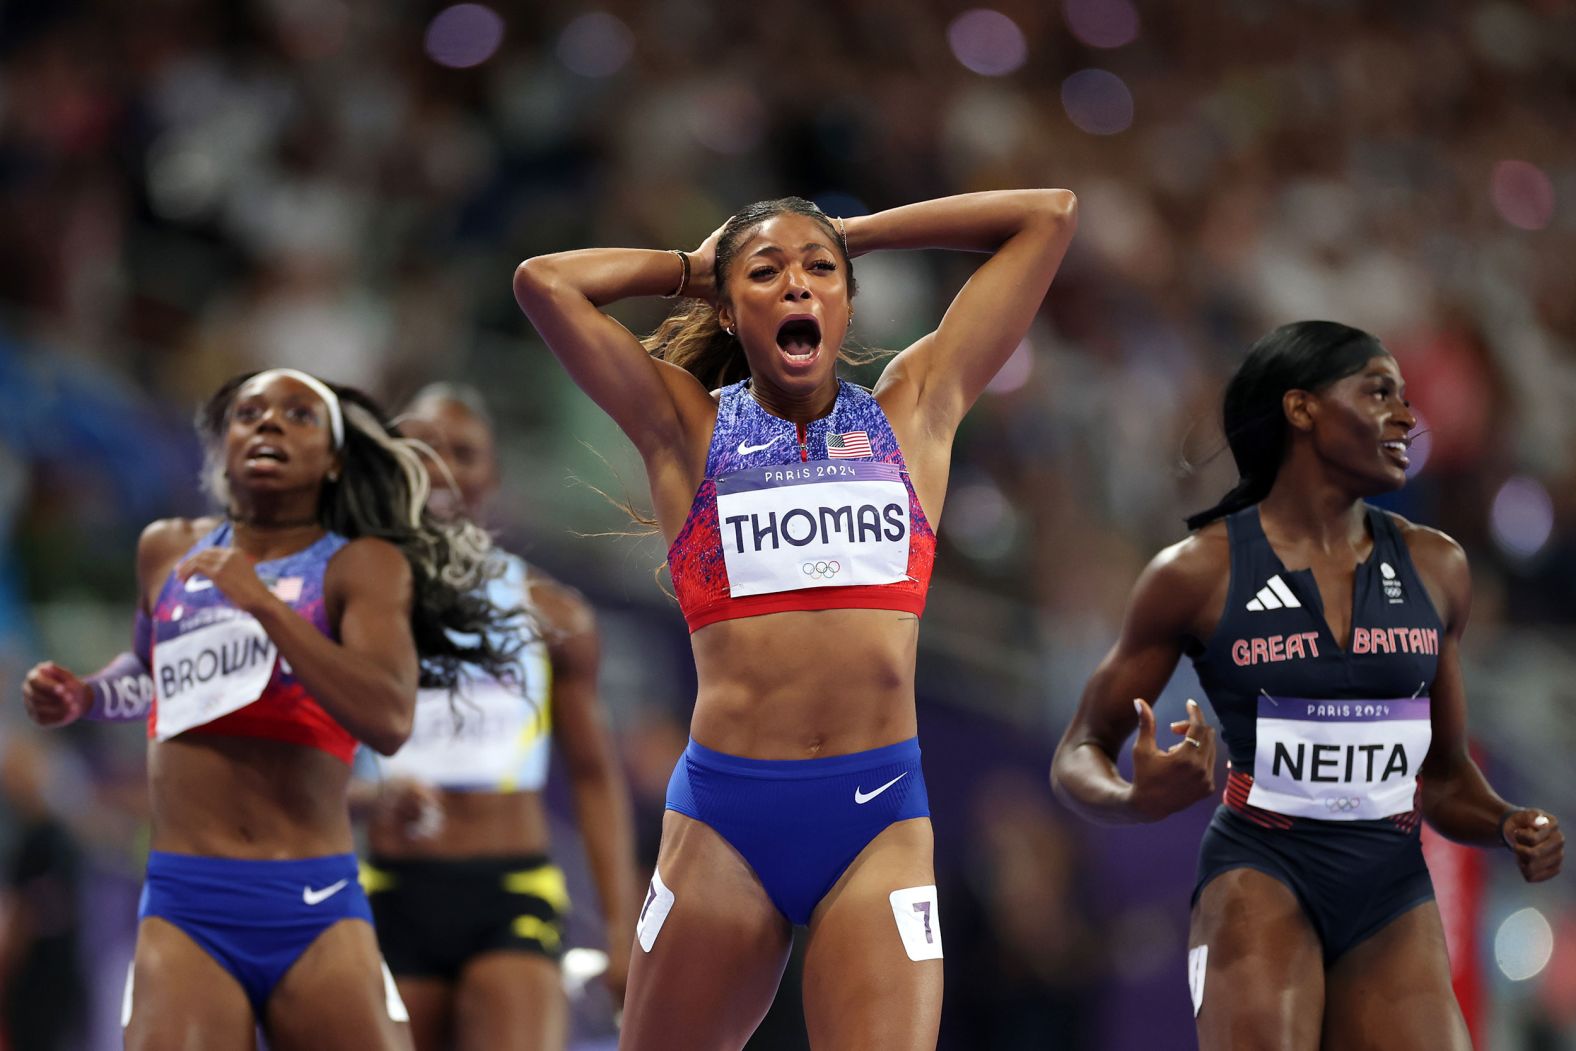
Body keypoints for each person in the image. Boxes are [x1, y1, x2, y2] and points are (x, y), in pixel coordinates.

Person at [514, 189, 1078, 1048]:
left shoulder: (914, 412)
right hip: (724, 821)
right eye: (766, 274)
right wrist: (690, 270)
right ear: (730, 310)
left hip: (879, 818)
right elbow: (544, 282)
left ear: (848, 302)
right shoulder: (686, 427)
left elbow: (1050, 216)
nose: (797, 286)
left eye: (820, 272)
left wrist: (852, 233)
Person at [1050, 321, 1564, 1049]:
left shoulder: (1437, 566)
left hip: (1390, 881)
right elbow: (1078, 750)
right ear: (1302, 409)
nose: (1409, 416)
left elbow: (1445, 778)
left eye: (1407, 397)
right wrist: (1134, 796)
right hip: (1262, 870)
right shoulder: (1197, 570)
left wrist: (1507, 821)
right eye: (1380, 391)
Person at [20, 369, 522, 1051]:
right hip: (186, 903)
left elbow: (389, 717)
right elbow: (146, 669)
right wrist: (86, 694)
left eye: (297, 414)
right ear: (224, 445)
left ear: (336, 458)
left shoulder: (362, 568)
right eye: (248, 413)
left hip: (314, 904)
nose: (267, 424)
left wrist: (264, 604)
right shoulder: (167, 548)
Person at [359, 383, 638, 1051]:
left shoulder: (553, 616)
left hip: (510, 889)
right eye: (419, 450)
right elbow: (299, 770)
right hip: (388, 889)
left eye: (463, 451)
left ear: (494, 475)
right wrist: (370, 794)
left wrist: (624, 927)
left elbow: (597, 775)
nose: (442, 467)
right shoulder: (346, 613)